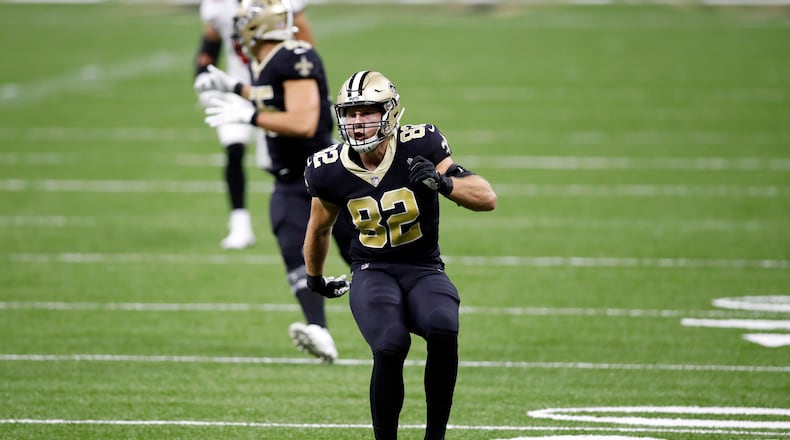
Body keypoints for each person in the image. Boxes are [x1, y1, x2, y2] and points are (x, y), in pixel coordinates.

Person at [302, 71, 497, 440]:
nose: (357, 123)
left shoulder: (420, 144)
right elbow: (319, 228)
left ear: (389, 112)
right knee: (391, 345)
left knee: (443, 327)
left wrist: (444, 183)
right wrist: (314, 278)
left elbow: (487, 197)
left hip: (424, 267)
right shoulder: (327, 167)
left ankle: (434, 437)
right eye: (350, 113)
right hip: (372, 268)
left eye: (367, 112)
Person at [196, 0, 353, 363]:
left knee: (359, 254)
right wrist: (235, 87)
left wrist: (251, 116)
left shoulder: (295, 56)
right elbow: (273, 98)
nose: (236, 32)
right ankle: (320, 329)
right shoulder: (268, 60)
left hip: (321, 175)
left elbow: (303, 123)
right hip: (289, 179)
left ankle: (402, 314)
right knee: (292, 249)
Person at [193, 0, 315, 249]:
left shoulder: (281, 6)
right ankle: (240, 223)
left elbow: (305, 49)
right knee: (233, 148)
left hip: (275, 90)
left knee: (280, 161)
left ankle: (316, 214)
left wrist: (304, 87)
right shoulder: (218, 7)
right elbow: (208, 47)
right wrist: (203, 76)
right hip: (236, 89)